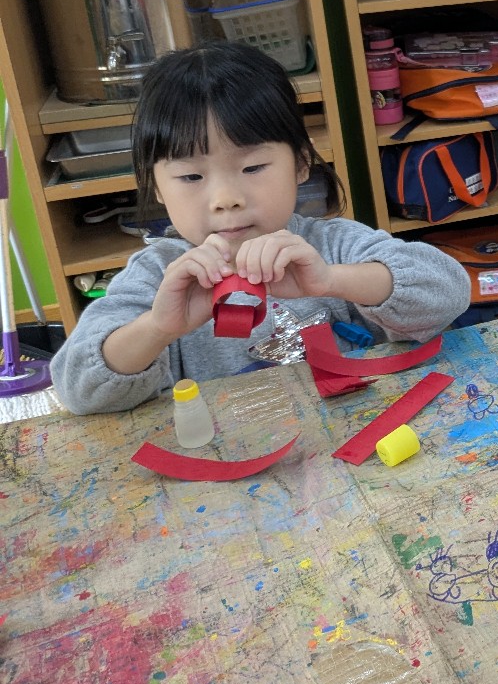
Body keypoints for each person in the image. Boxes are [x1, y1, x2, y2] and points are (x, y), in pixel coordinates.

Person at [51, 41, 471, 415]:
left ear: (301, 163)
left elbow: (449, 293)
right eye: (191, 176)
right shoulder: (158, 275)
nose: (225, 198)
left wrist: (331, 280)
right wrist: (158, 328)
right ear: (157, 188)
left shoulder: (332, 246)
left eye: (252, 167)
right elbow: (79, 390)